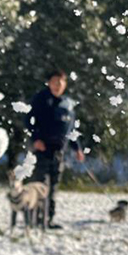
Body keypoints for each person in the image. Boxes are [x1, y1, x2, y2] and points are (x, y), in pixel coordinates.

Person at [26, 69, 84, 229]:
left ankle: (47, 219)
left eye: (60, 82)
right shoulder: (40, 99)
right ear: (49, 83)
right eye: (54, 82)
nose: (57, 85)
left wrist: (77, 148)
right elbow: (29, 121)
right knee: (39, 185)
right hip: (42, 149)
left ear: (65, 84)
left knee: (53, 187)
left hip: (59, 152)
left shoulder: (68, 104)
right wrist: (36, 138)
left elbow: (71, 130)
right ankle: (34, 218)